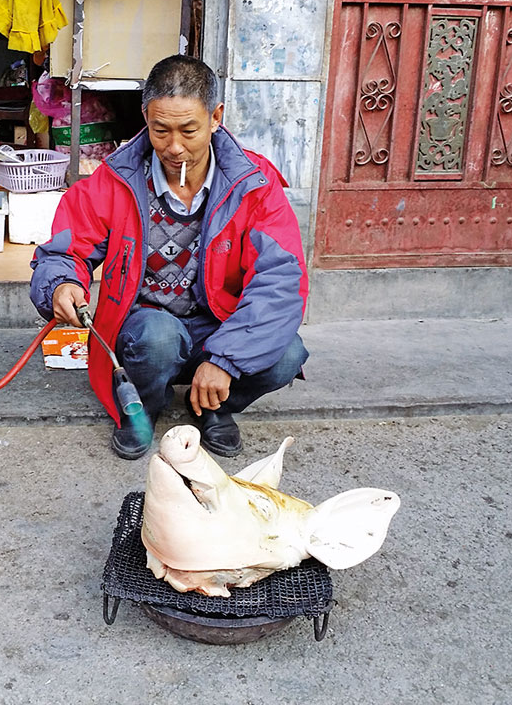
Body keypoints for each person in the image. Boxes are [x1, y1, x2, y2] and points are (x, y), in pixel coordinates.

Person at [29, 55, 309, 460]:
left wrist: (226, 361)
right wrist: (61, 282)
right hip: (145, 326)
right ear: (145, 117)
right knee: (158, 336)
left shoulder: (255, 184)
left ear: (215, 117)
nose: (174, 148)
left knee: (287, 354)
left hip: (218, 325)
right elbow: (64, 249)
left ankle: (214, 407)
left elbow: (280, 281)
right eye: (160, 130)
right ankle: (140, 408)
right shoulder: (116, 178)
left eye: (189, 130)